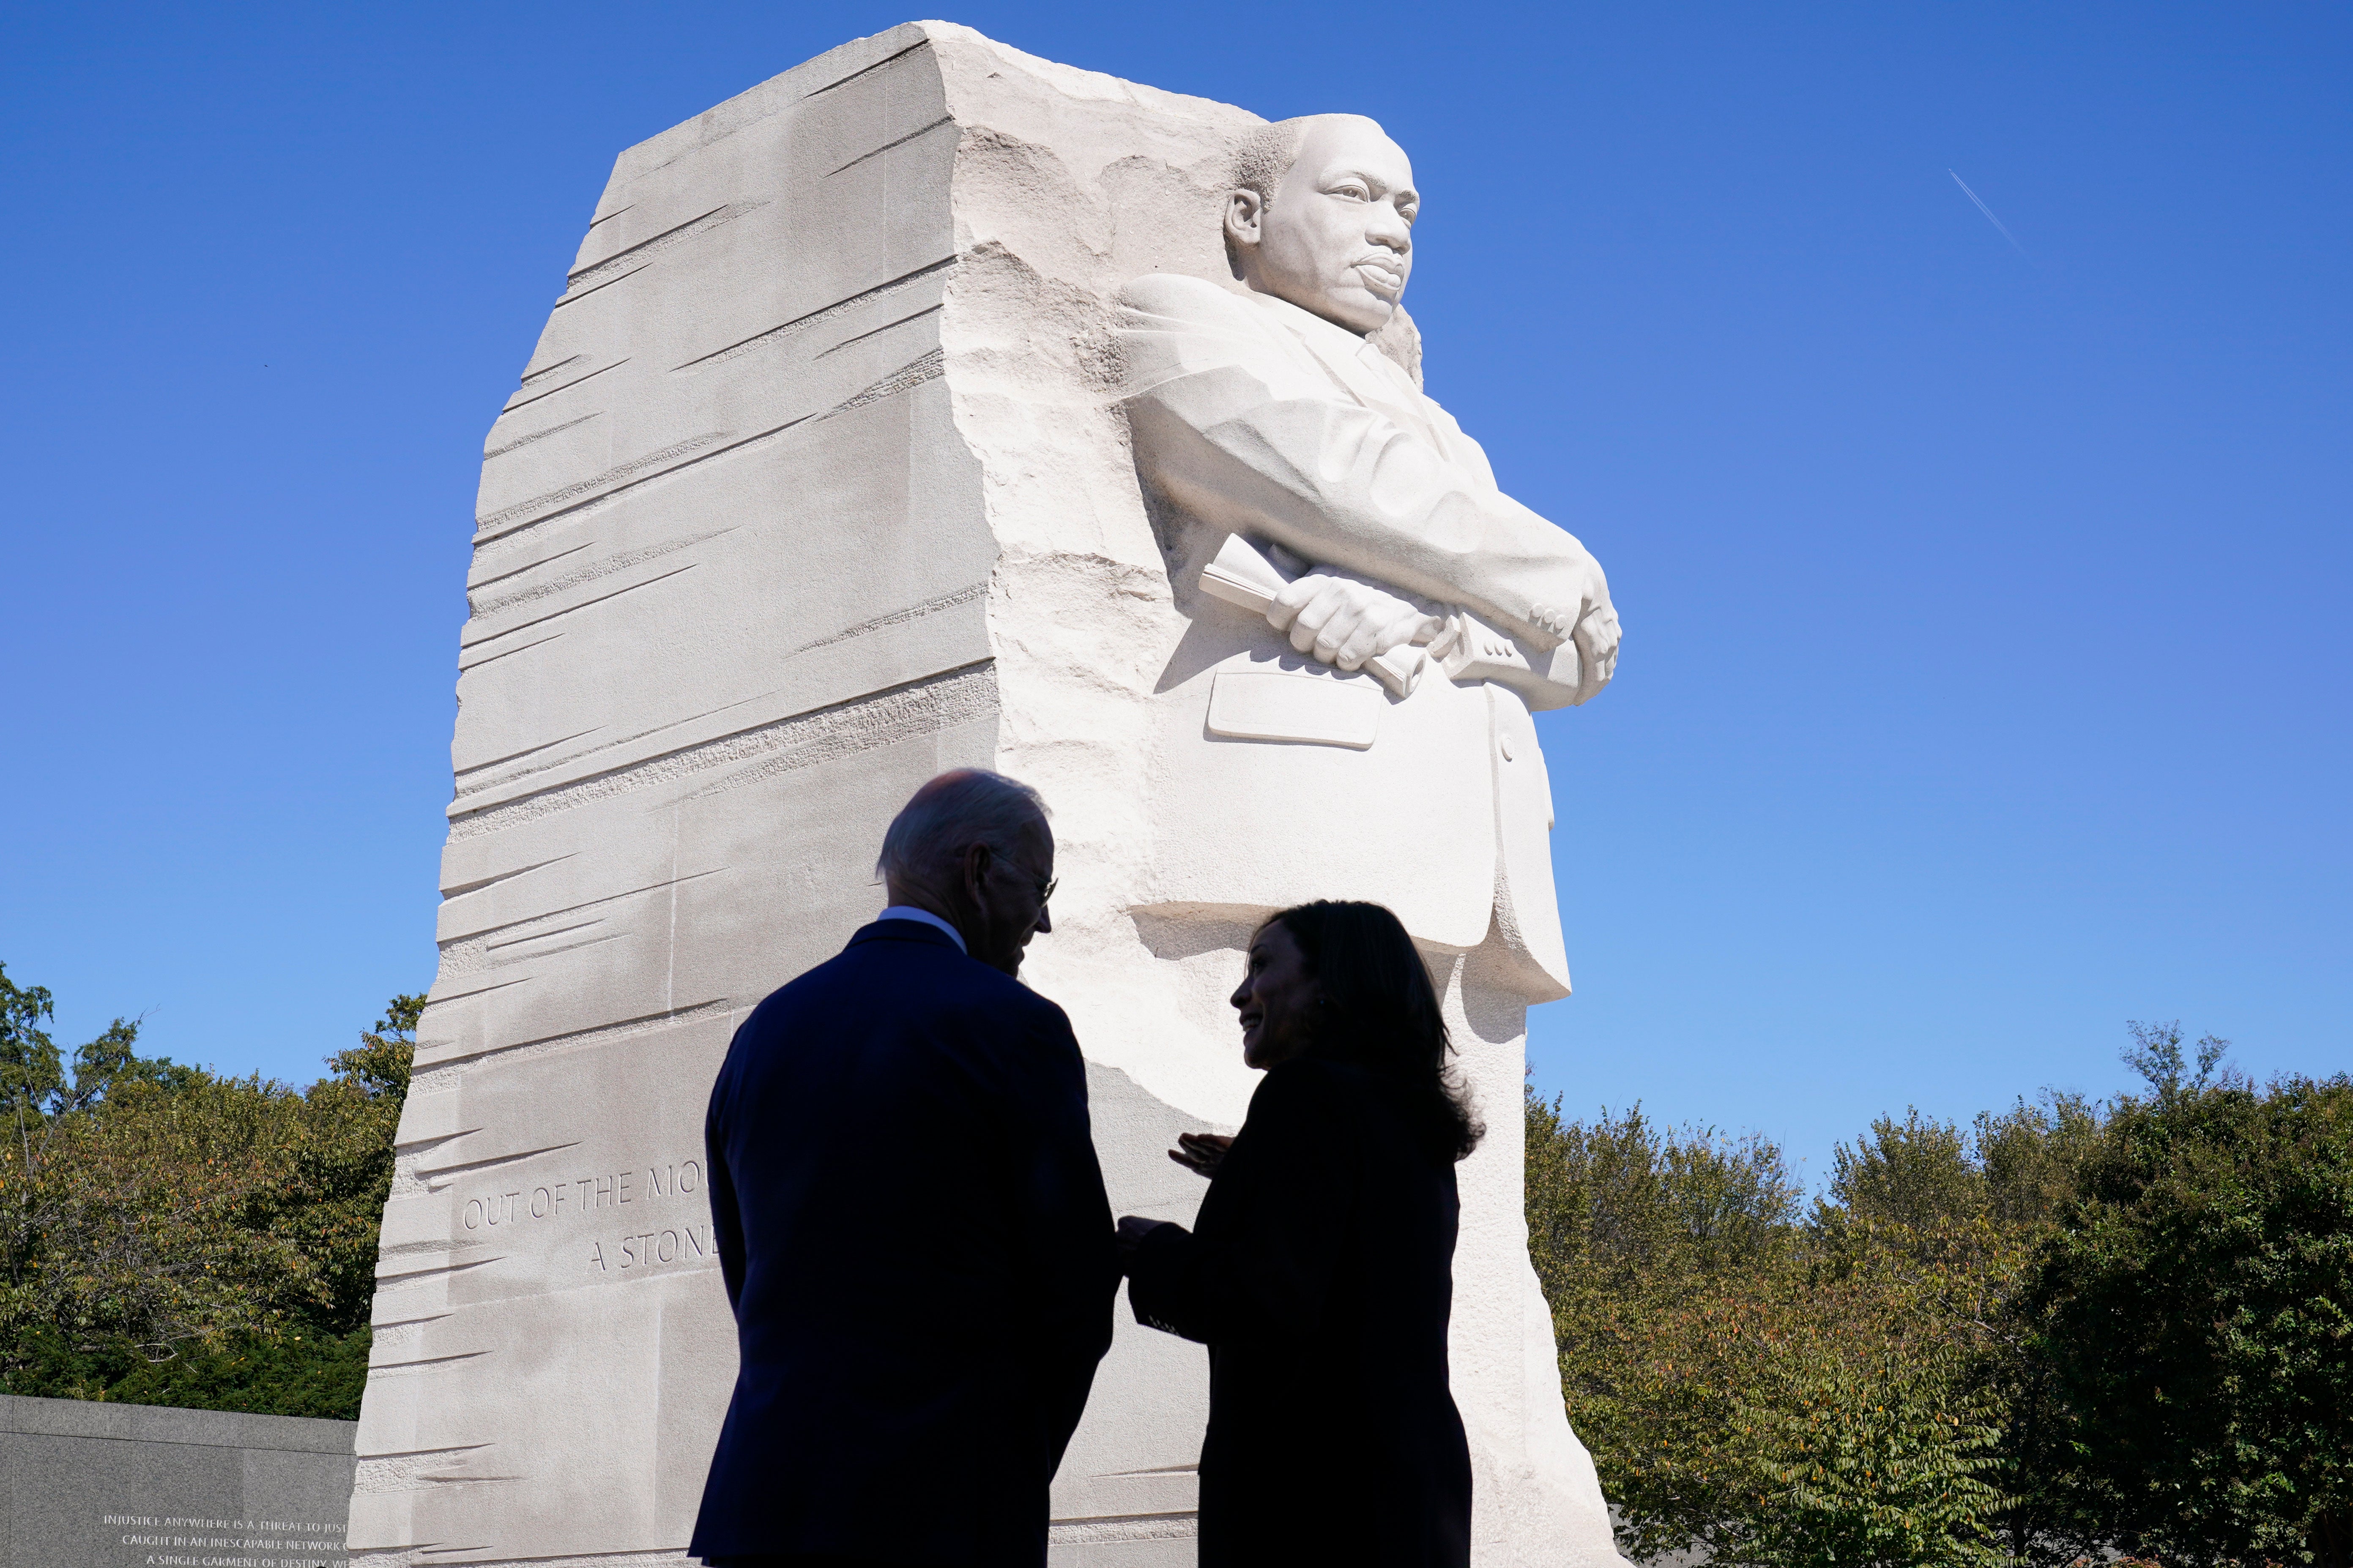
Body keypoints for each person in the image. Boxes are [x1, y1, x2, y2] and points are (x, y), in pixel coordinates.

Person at [689, 769, 1119, 1568]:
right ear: (979, 870)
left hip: (765, 1507)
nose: (1044, 920)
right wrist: (1006, 1464)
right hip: (941, 1507)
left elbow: (748, 1273)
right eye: (1040, 887)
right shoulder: (1015, 1025)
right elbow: (1077, 1295)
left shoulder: (763, 1031)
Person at [1115, 900, 1480, 1568]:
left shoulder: (1305, 1094)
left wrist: (1155, 1250)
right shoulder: (1410, 1120)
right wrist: (1253, 1171)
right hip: (1412, 1498)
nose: (1240, 995)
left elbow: (1266, 1302)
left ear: (1328, 986)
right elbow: (1356, 1252)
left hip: (1313, 1501)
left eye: (1260, 967)